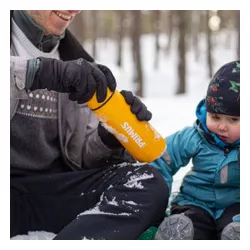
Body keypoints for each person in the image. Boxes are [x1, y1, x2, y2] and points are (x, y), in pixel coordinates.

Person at [10, 10, 169, 240]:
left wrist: (109, 138)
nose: (74, 8)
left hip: (48, 194)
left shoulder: (78, 62)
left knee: (147, 183)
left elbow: (81, 158)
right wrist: (40, 72)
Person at [151, 61, 240, 240]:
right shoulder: (195, 136)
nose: (222, 126)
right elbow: (162, 158)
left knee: (235, 223)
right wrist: (157, 200)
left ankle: (236, 233)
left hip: (236, 203)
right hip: (194, 201)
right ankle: (179, 233)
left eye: (233, 120)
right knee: (191, 221)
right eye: (215, 117)